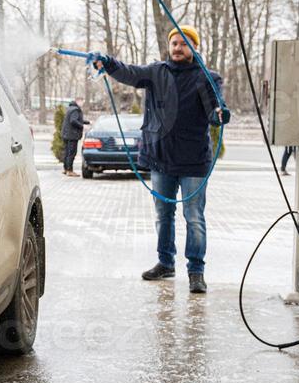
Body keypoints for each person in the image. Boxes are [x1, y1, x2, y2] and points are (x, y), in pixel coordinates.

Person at [90, 26, 229, 293]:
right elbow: (129, 72)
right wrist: (107, 63)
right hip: (161, 158)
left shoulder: (206, 78)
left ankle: (196, 271)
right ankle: (166, 263)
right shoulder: (156, 73)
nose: (178, 48)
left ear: (194, 48)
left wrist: (220, 113)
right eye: (174, 43)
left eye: (184, 44)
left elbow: (214, 108)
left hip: (194, 161)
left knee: (194, 216)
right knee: (163, 215)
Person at [61, 98, 88, 176]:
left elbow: (76, 119)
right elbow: (73, 121)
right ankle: (70, 170)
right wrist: (82, 126)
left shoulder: (70, 108)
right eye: (82, 101)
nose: (82, 103)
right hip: (72, 135)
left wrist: (86, 122)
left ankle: (66, 169)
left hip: (66, 134)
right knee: (72, 153)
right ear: (78, 101)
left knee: (67, 152)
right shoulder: (76, 110)